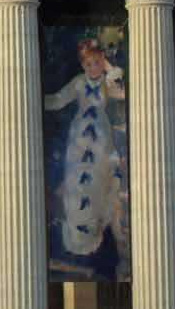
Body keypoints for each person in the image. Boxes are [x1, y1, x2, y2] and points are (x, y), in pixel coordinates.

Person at [44, 34, 128, 265]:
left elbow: (122, 92)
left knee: (97, 186)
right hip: (79, 141)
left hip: (100, 140)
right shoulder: (79, 82)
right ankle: (76, 240)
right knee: (76, 186)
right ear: (82, 65)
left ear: (103, 60)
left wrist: (110, 70)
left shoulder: (107, 82)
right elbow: (59, 100)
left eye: (98, 62)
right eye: (88, 64)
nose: (94, 68)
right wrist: (33, 98)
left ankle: (94, 236)